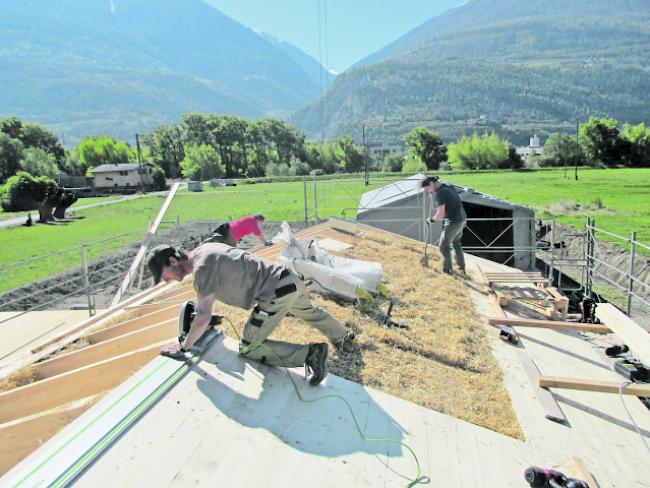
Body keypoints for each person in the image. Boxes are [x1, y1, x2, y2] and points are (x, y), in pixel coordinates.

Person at [147, 243, 355, 385]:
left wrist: (183, 348)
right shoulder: (204, 249)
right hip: (290, 279)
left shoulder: (202, 269)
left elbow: (203, 315)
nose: (166, 281)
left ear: (173, 262)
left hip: (275, 292)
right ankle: (343, 336)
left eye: (164, 276)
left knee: (249, 347)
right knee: (310, 312)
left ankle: (311, 354)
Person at [420, 176, 467, 275]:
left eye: (427, 189)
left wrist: (431, 220)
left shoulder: (440, 194)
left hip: (453, 221)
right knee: (456, 243)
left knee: (443, 247)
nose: (428, 192)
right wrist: (434, 194)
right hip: (462, 219)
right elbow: (450, 199)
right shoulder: (447, 185)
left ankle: (448, 270)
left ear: (431, 184)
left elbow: (440, 214)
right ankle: (461, 268)